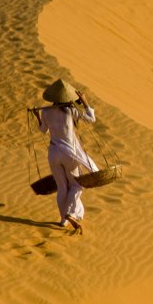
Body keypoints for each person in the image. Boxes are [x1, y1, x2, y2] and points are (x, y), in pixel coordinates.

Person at [34, 78, 98, 234]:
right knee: (77, 185)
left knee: (62, 187)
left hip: (54, 153)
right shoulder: (70, 111)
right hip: (70, 153)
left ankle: (63, 220)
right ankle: (70, 213)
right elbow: (91, 119)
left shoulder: (46, 111)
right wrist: (85, 102)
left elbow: (43, 130)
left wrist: (37, 115)